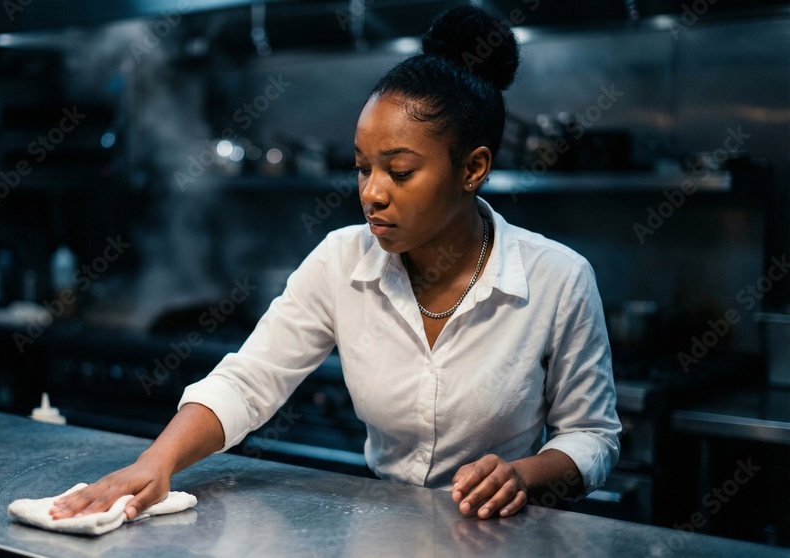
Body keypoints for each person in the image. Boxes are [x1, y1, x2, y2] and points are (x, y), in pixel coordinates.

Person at [51, 5, 620, 522]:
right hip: (382, 532)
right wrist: (156, 462)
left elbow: (593, 436)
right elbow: (250, 380)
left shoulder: (558, 278)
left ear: (472, 169)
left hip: (505, 537)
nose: (372, 193)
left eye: (399, 172)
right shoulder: (340, 259)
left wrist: (523, 474)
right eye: (362, 167)